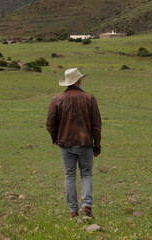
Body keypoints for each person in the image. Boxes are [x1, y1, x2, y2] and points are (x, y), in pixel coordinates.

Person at [46, 68, 102, 218]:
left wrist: (57, 139)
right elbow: (96, 125)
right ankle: (87, 207)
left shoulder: (56, 100)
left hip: (66, 144)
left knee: (69, 176)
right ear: (78, 81)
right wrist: (97, 145)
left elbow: (50, 125)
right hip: (85, 144)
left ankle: (73, 210)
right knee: (86, 175)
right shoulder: (90, 99)